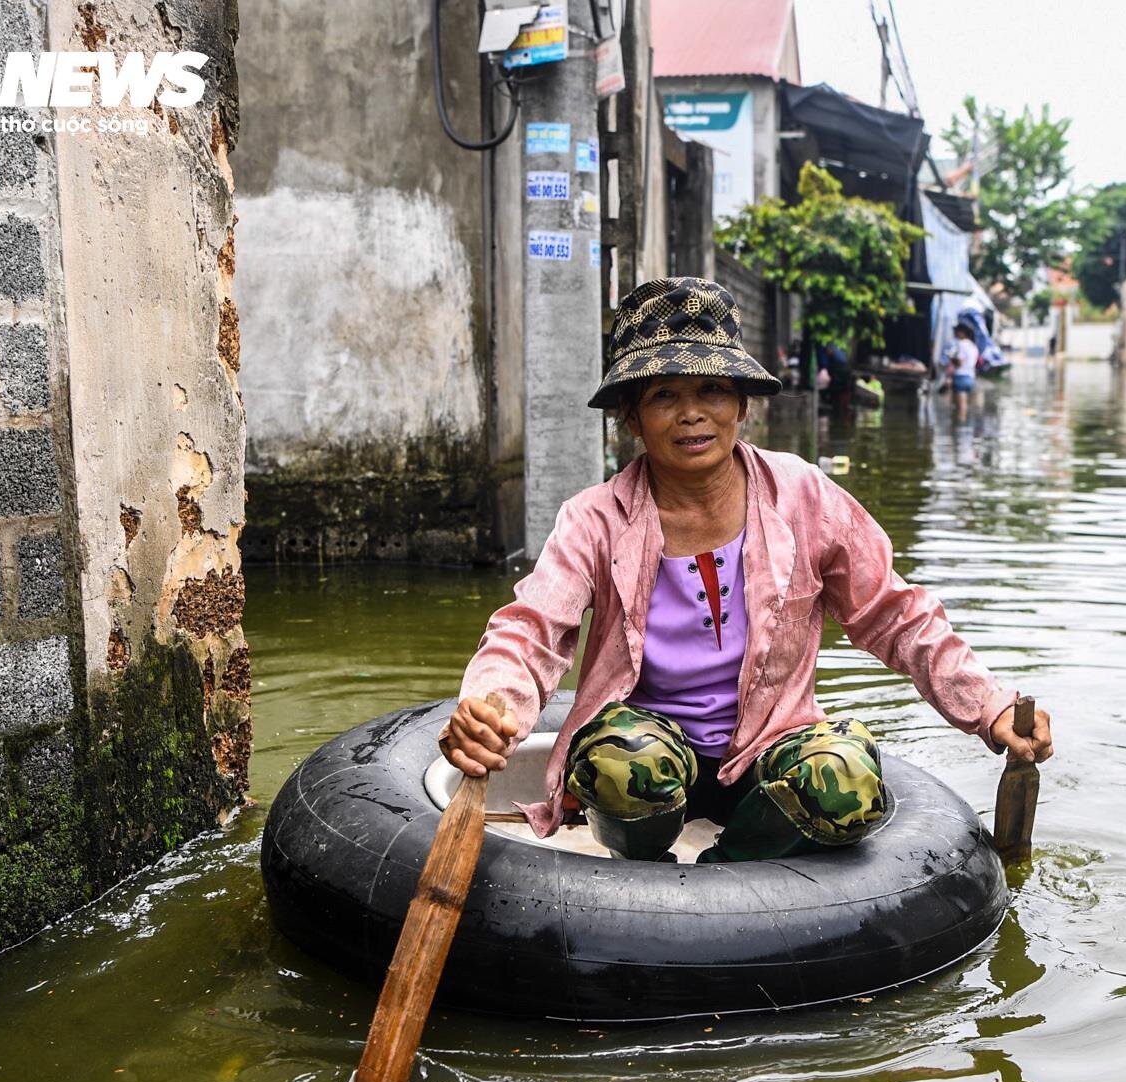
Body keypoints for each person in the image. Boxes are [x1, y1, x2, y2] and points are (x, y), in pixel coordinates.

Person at [438, 277, 1053, 863]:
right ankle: (641, 869)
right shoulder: (594, 519)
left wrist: (989, 707)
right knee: (623, 761)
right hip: (650, 750)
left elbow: (896, 615)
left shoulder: (803, 497)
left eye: (710, 390)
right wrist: (492, 708)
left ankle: (724, 871)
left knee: (850, 778)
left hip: (768, 747)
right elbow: (531, 629)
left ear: (742, 405)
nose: (691, 415)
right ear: (631, 418)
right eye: (663, 396)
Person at [939, 322, 978, 421]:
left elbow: (959, 362)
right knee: (964, 405)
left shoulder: (960, 345)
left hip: (960, 376)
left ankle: (960, 428)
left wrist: (950, 358)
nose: (954, 333)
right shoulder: (973, 346)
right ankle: (962, 426)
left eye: (956, 331)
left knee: (960, 407)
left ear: (962, 332)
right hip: (970, 377)